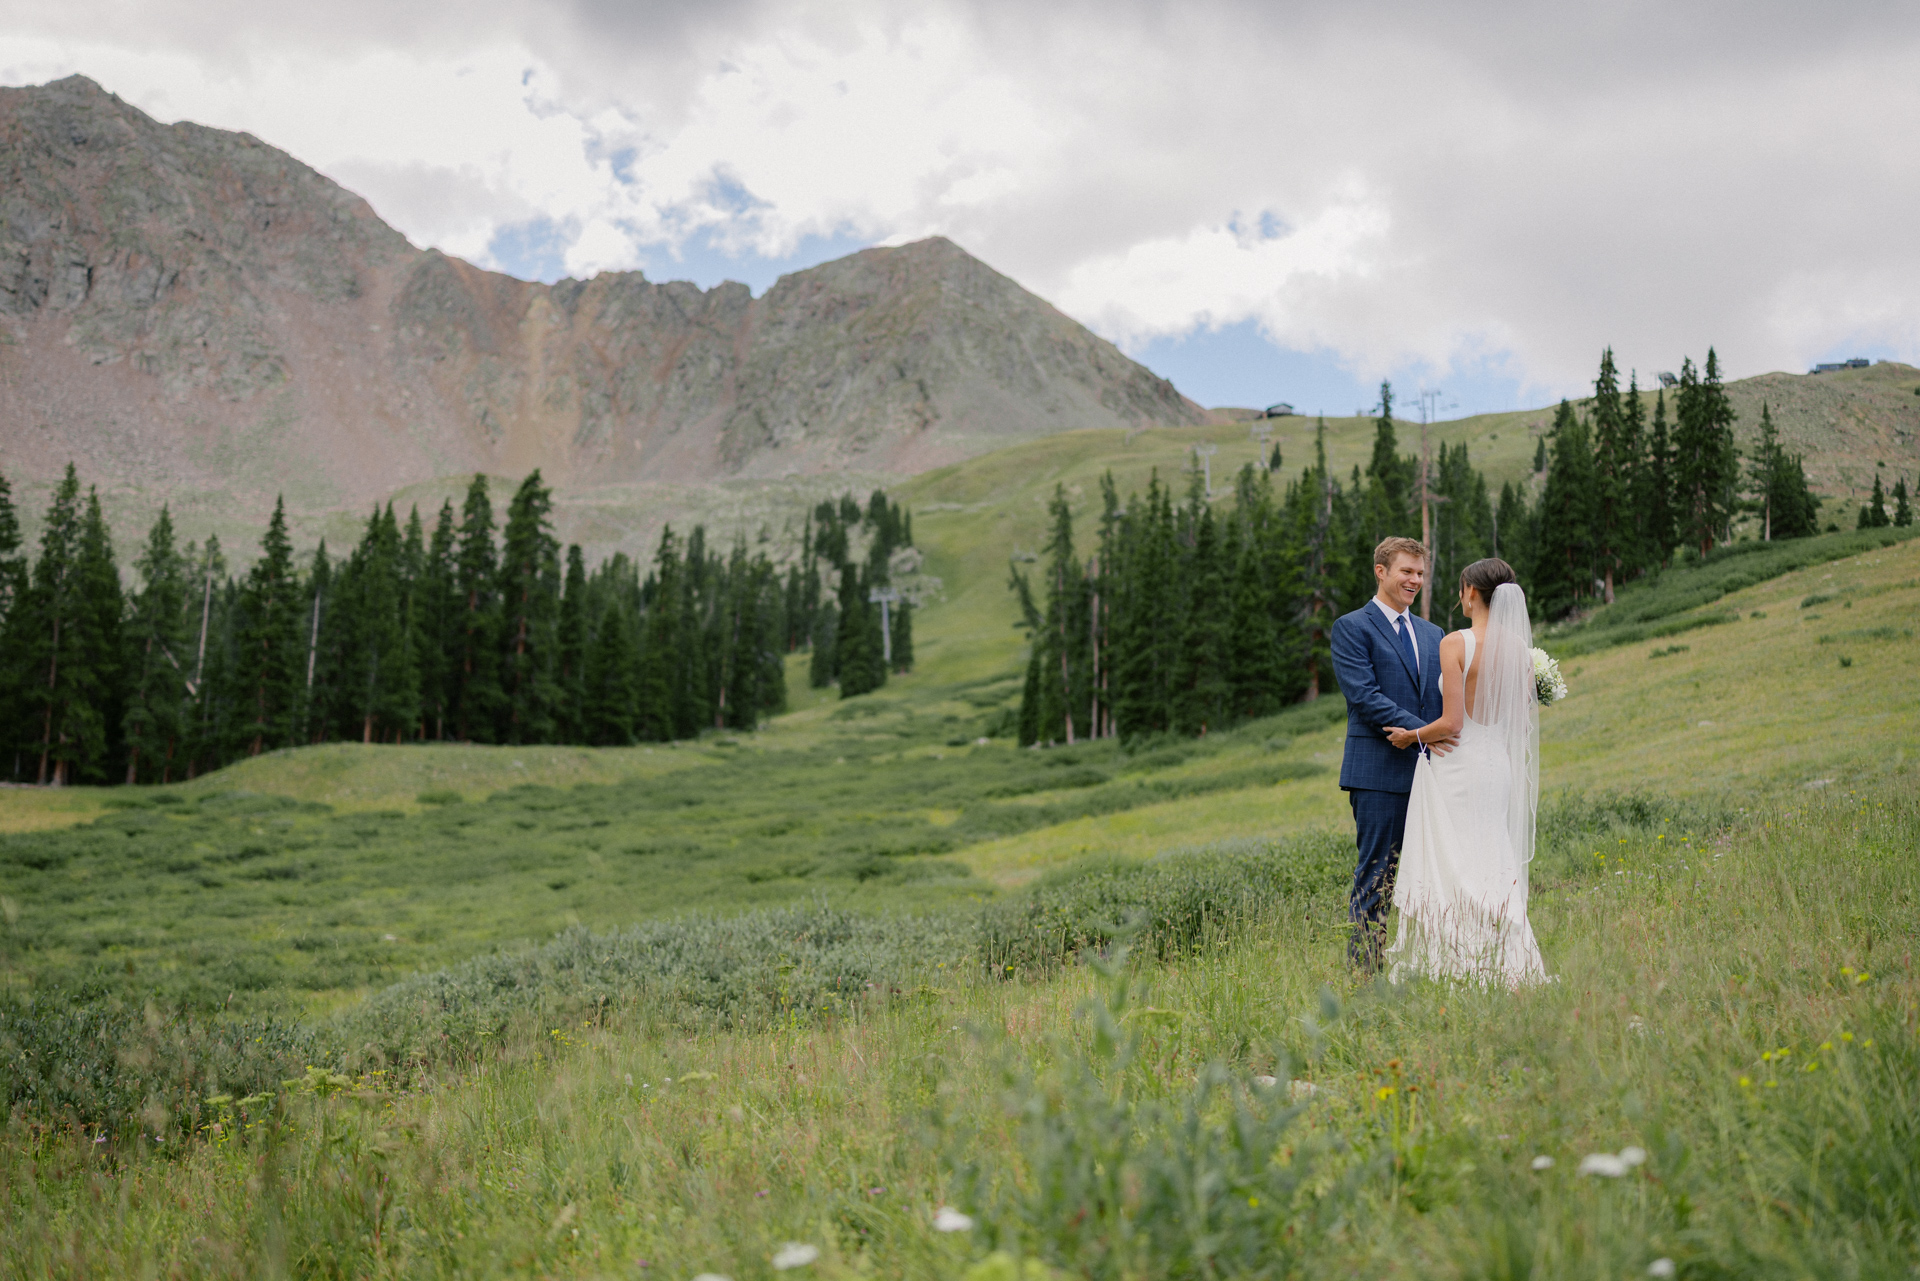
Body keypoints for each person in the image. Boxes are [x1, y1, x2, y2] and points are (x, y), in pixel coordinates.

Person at [1380, 557, 1548, 987]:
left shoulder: (1456, 643)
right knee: (1493, 854)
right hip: (1498, 768)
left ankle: (1459, 962)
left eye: (1460, 590)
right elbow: (1516, 719)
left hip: (1460, 763)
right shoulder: (1519, 650)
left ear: (1471, 593)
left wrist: (1410, 736)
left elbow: (1452, 724)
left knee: (1456, 859)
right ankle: (1510, 961)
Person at [1329, 536, 1450, 972]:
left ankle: (1427, 967)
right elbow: (1364, 697)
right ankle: (1365, 976)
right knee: (1378, 877)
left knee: (1432, 876)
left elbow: (1442, 697)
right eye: (1406, 571)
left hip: (1432, 774)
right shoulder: (1352, 627)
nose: (1415, 580)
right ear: (1381, 571)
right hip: (1378, 773)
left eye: (1420, 573)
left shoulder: (1433, 633)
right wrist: (1428, 733)